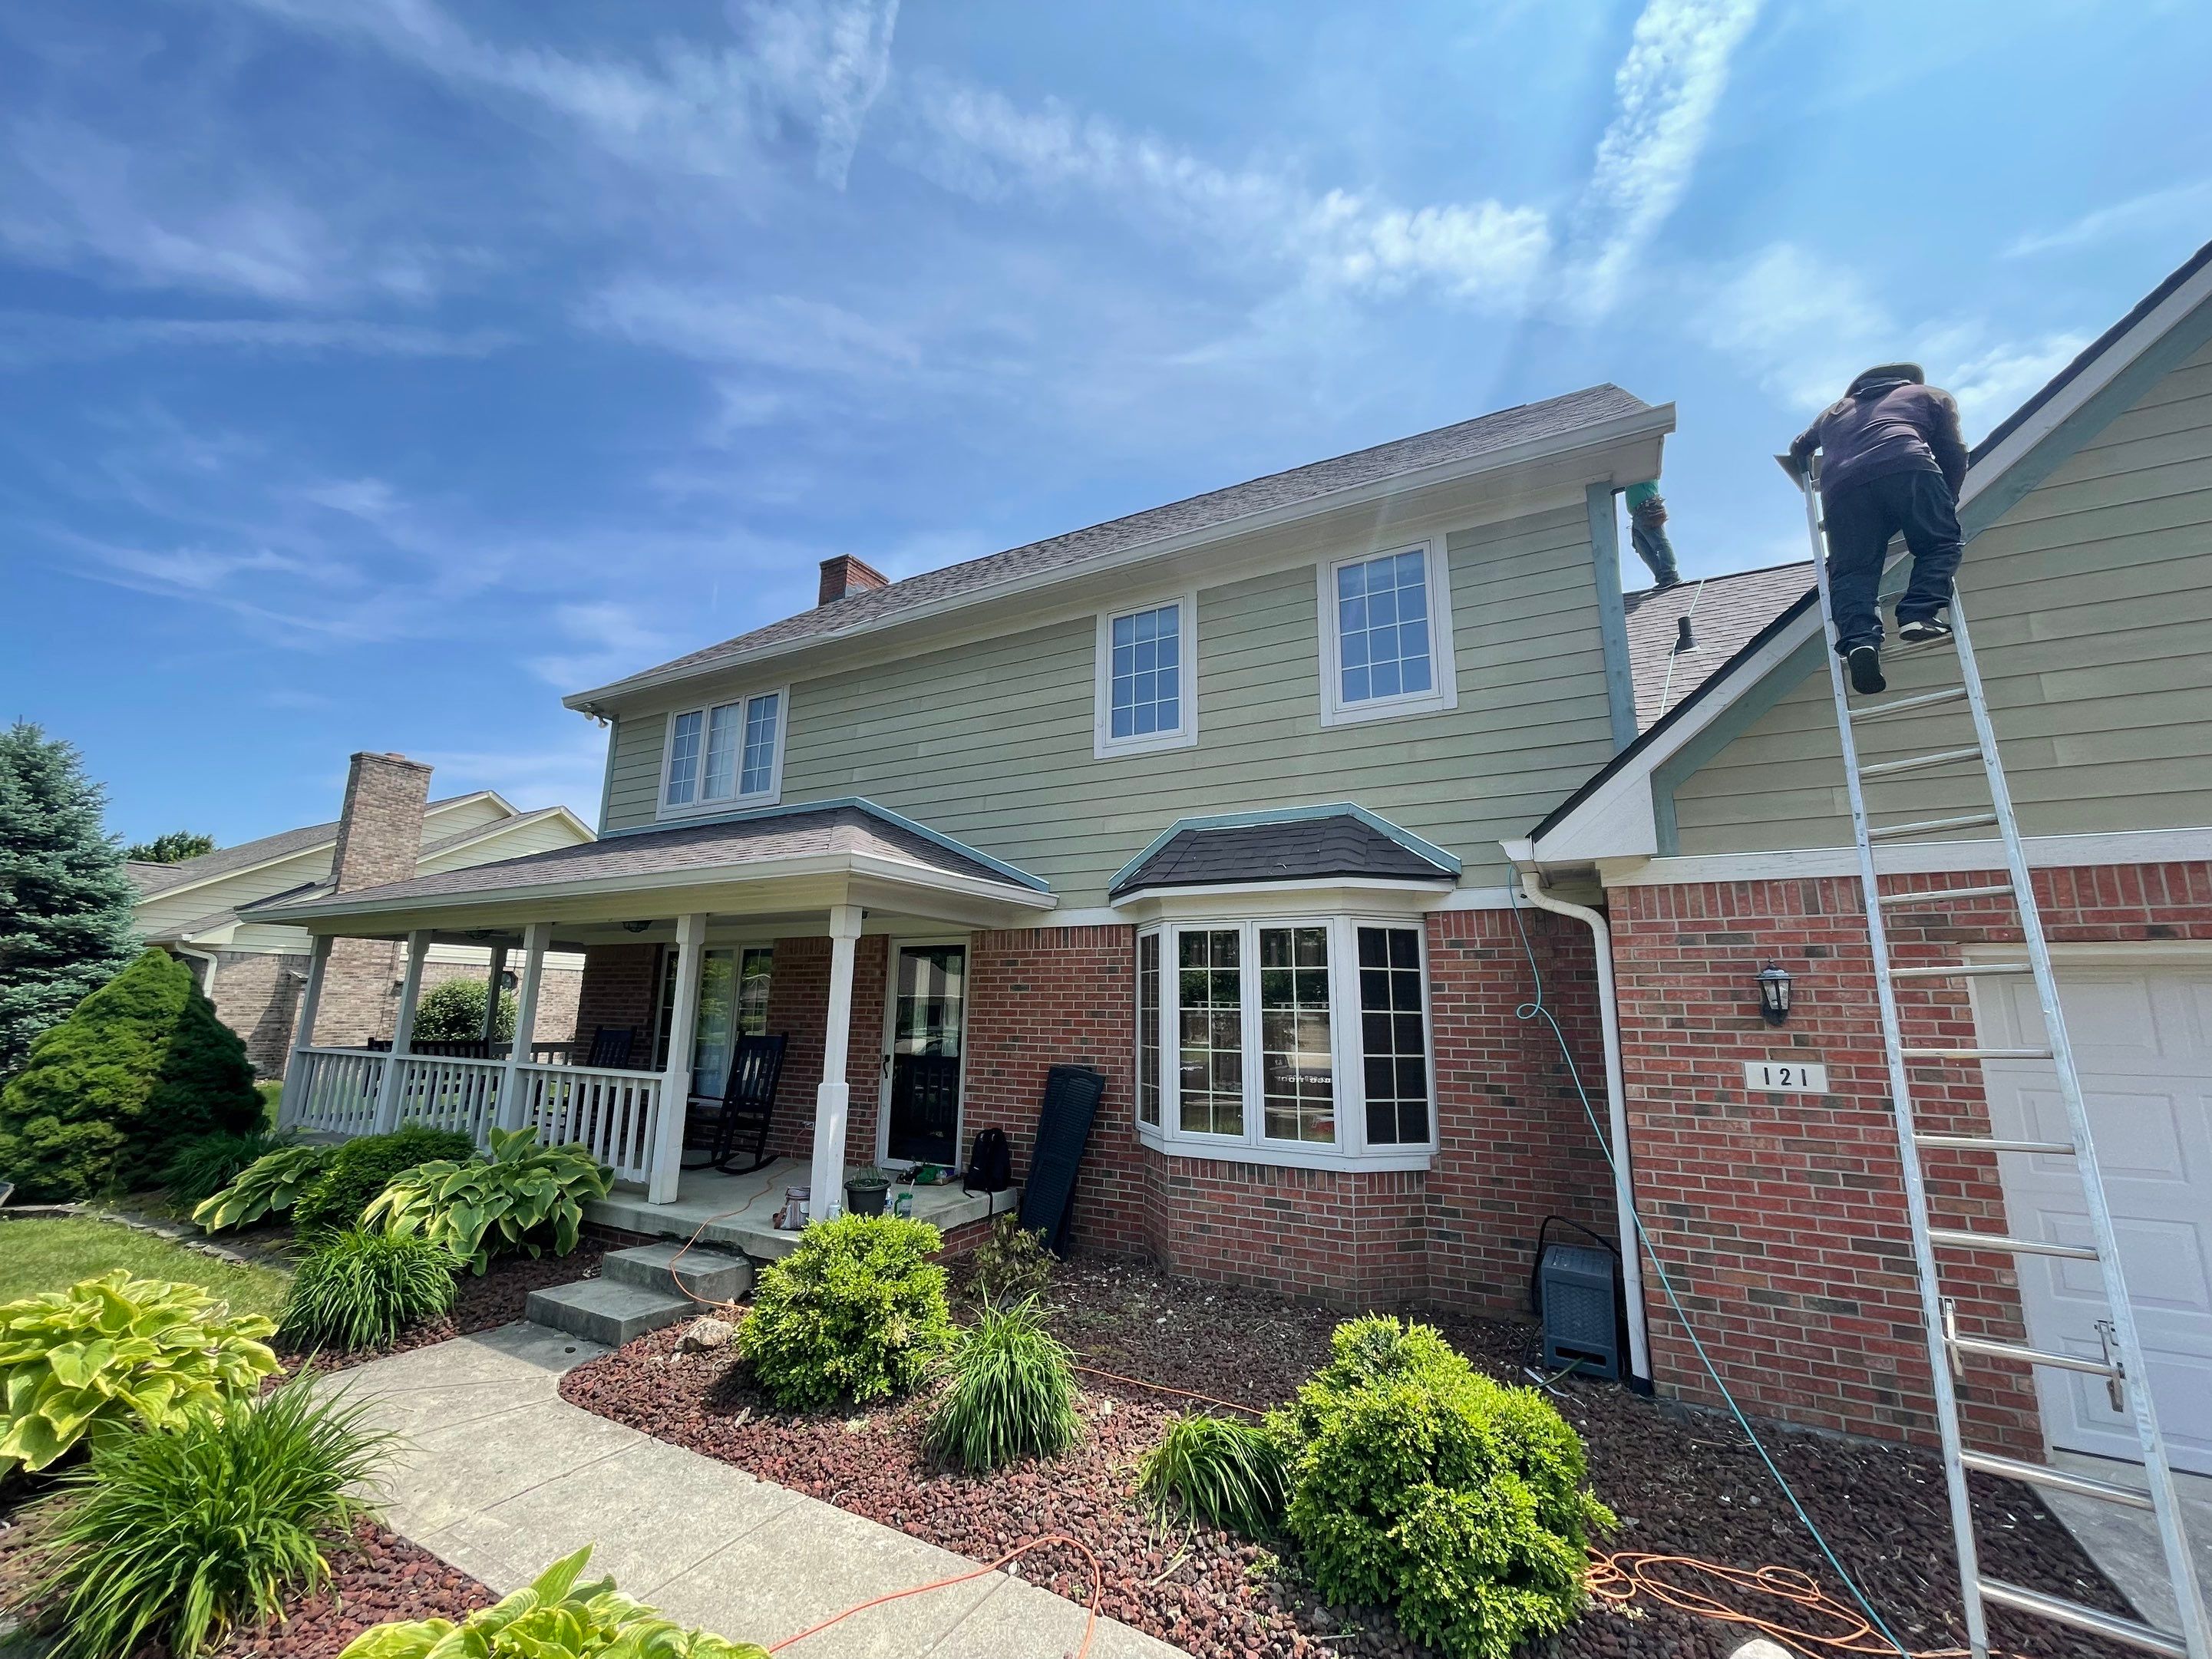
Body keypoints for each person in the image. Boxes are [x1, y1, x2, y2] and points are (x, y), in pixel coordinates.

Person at [1788, 363, 1969, 695]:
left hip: (1842, 490)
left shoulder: (1833, 412)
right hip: (1908, 467)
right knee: (1939, 542)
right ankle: (1918, 614)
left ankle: (1859, 642)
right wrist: (1946, 499)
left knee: (1852, 571)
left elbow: (1799, 447)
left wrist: (1807, 460)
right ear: (1906, 380)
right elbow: (1953, 453)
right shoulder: (1930, 395)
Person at [1623, 480, 1682, 589]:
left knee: (1659, 542)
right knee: (1642, 548)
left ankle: (1670, 575)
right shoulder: (1630, 476)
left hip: (1648, 508)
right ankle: (1662, 576)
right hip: (1638, 513)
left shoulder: (1641, 469)